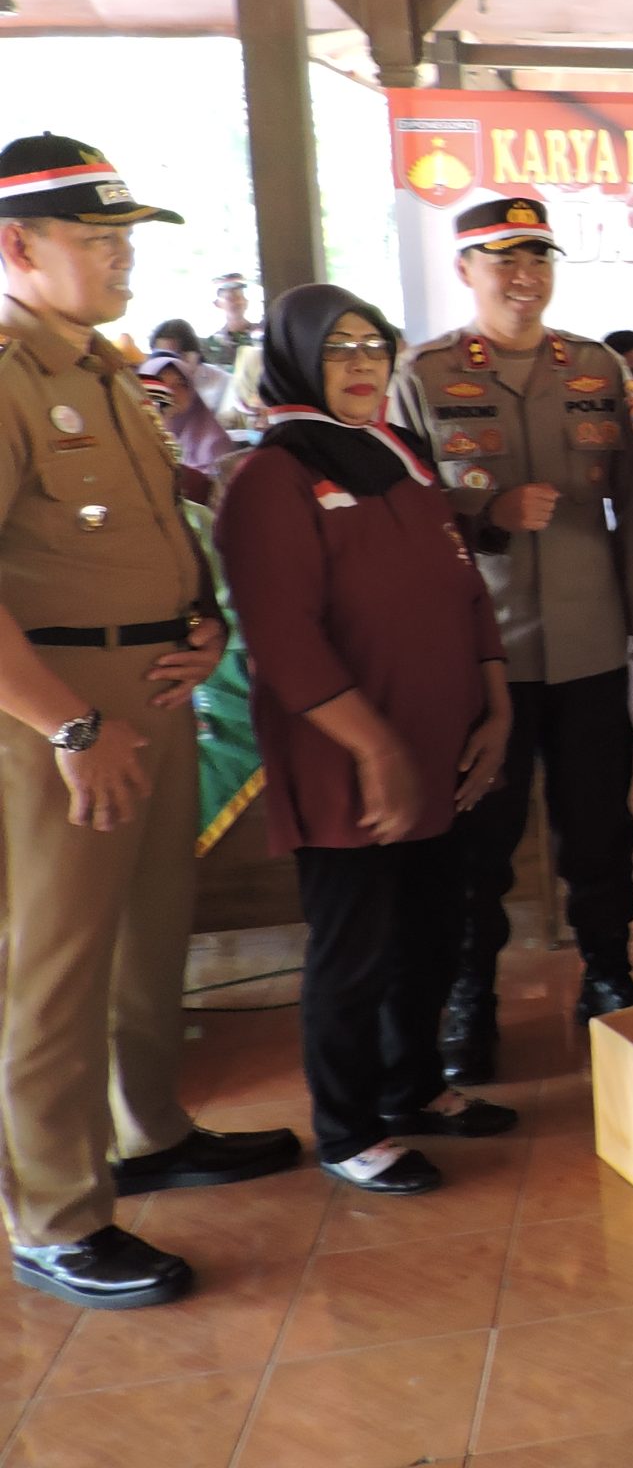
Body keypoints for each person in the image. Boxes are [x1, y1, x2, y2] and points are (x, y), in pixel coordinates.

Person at [0, 133, 297, 1312]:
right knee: (53, 964)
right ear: (18, 247)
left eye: (126, 239)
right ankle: (54, 1214)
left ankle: (152, 1130)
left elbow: (156, 532)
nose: (120, 260)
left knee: (147, 933)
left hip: (158, 689)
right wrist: (73, 729)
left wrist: (205, 625)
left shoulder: (109, 369)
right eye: (95, 239)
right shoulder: (10, 374)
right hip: (58, 716)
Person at [217, 286, 518, 1196]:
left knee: (432, 930)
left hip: (442, 748)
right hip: (346, 760)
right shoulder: (271, 477)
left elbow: (467, 591)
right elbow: (284, 640)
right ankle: (349, 1128)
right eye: (339, 349)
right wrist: (376, 749)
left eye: (373, 346)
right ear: (299, 359)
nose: (360, 364)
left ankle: (414, 1086)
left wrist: (497, 706)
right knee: (357, 947)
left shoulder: (405, 458)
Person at [395, 199, 633, 1081]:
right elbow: (402, 516)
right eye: (503, 261)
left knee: (600, 825)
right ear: (466, 271)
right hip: (487, 654)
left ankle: (607, 973)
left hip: (592, 639)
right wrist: (485, 511)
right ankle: (468, 996)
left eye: (538, 260)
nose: (524, 278)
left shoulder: (594, 367)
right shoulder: (426, 374)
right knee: (482, 838)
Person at [137, 350, 234, 476]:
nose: (172, 392)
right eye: (161, 385)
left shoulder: (214, 443)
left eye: (180, 384)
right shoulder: (134, 437)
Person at [204, 272, 258, 372]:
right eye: (230, 299)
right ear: (217, 304)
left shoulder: (263, 335)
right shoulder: (212, 344)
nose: (236, 303)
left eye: (239, 297)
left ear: (246, 302)